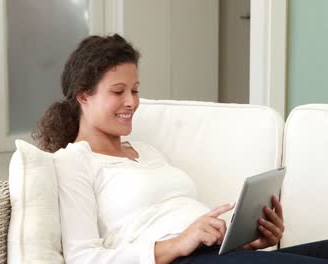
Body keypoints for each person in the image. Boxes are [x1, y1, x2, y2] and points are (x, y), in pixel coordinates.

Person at [32, 34, 328, 264]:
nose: (131, 102)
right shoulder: (73, 161)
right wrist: (177, 244)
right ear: (83, 96)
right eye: (118, 92)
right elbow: (83, 258)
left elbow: (177, 217)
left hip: (215, 255)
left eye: (134, 90)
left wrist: (249, 240)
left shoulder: (146, 151)